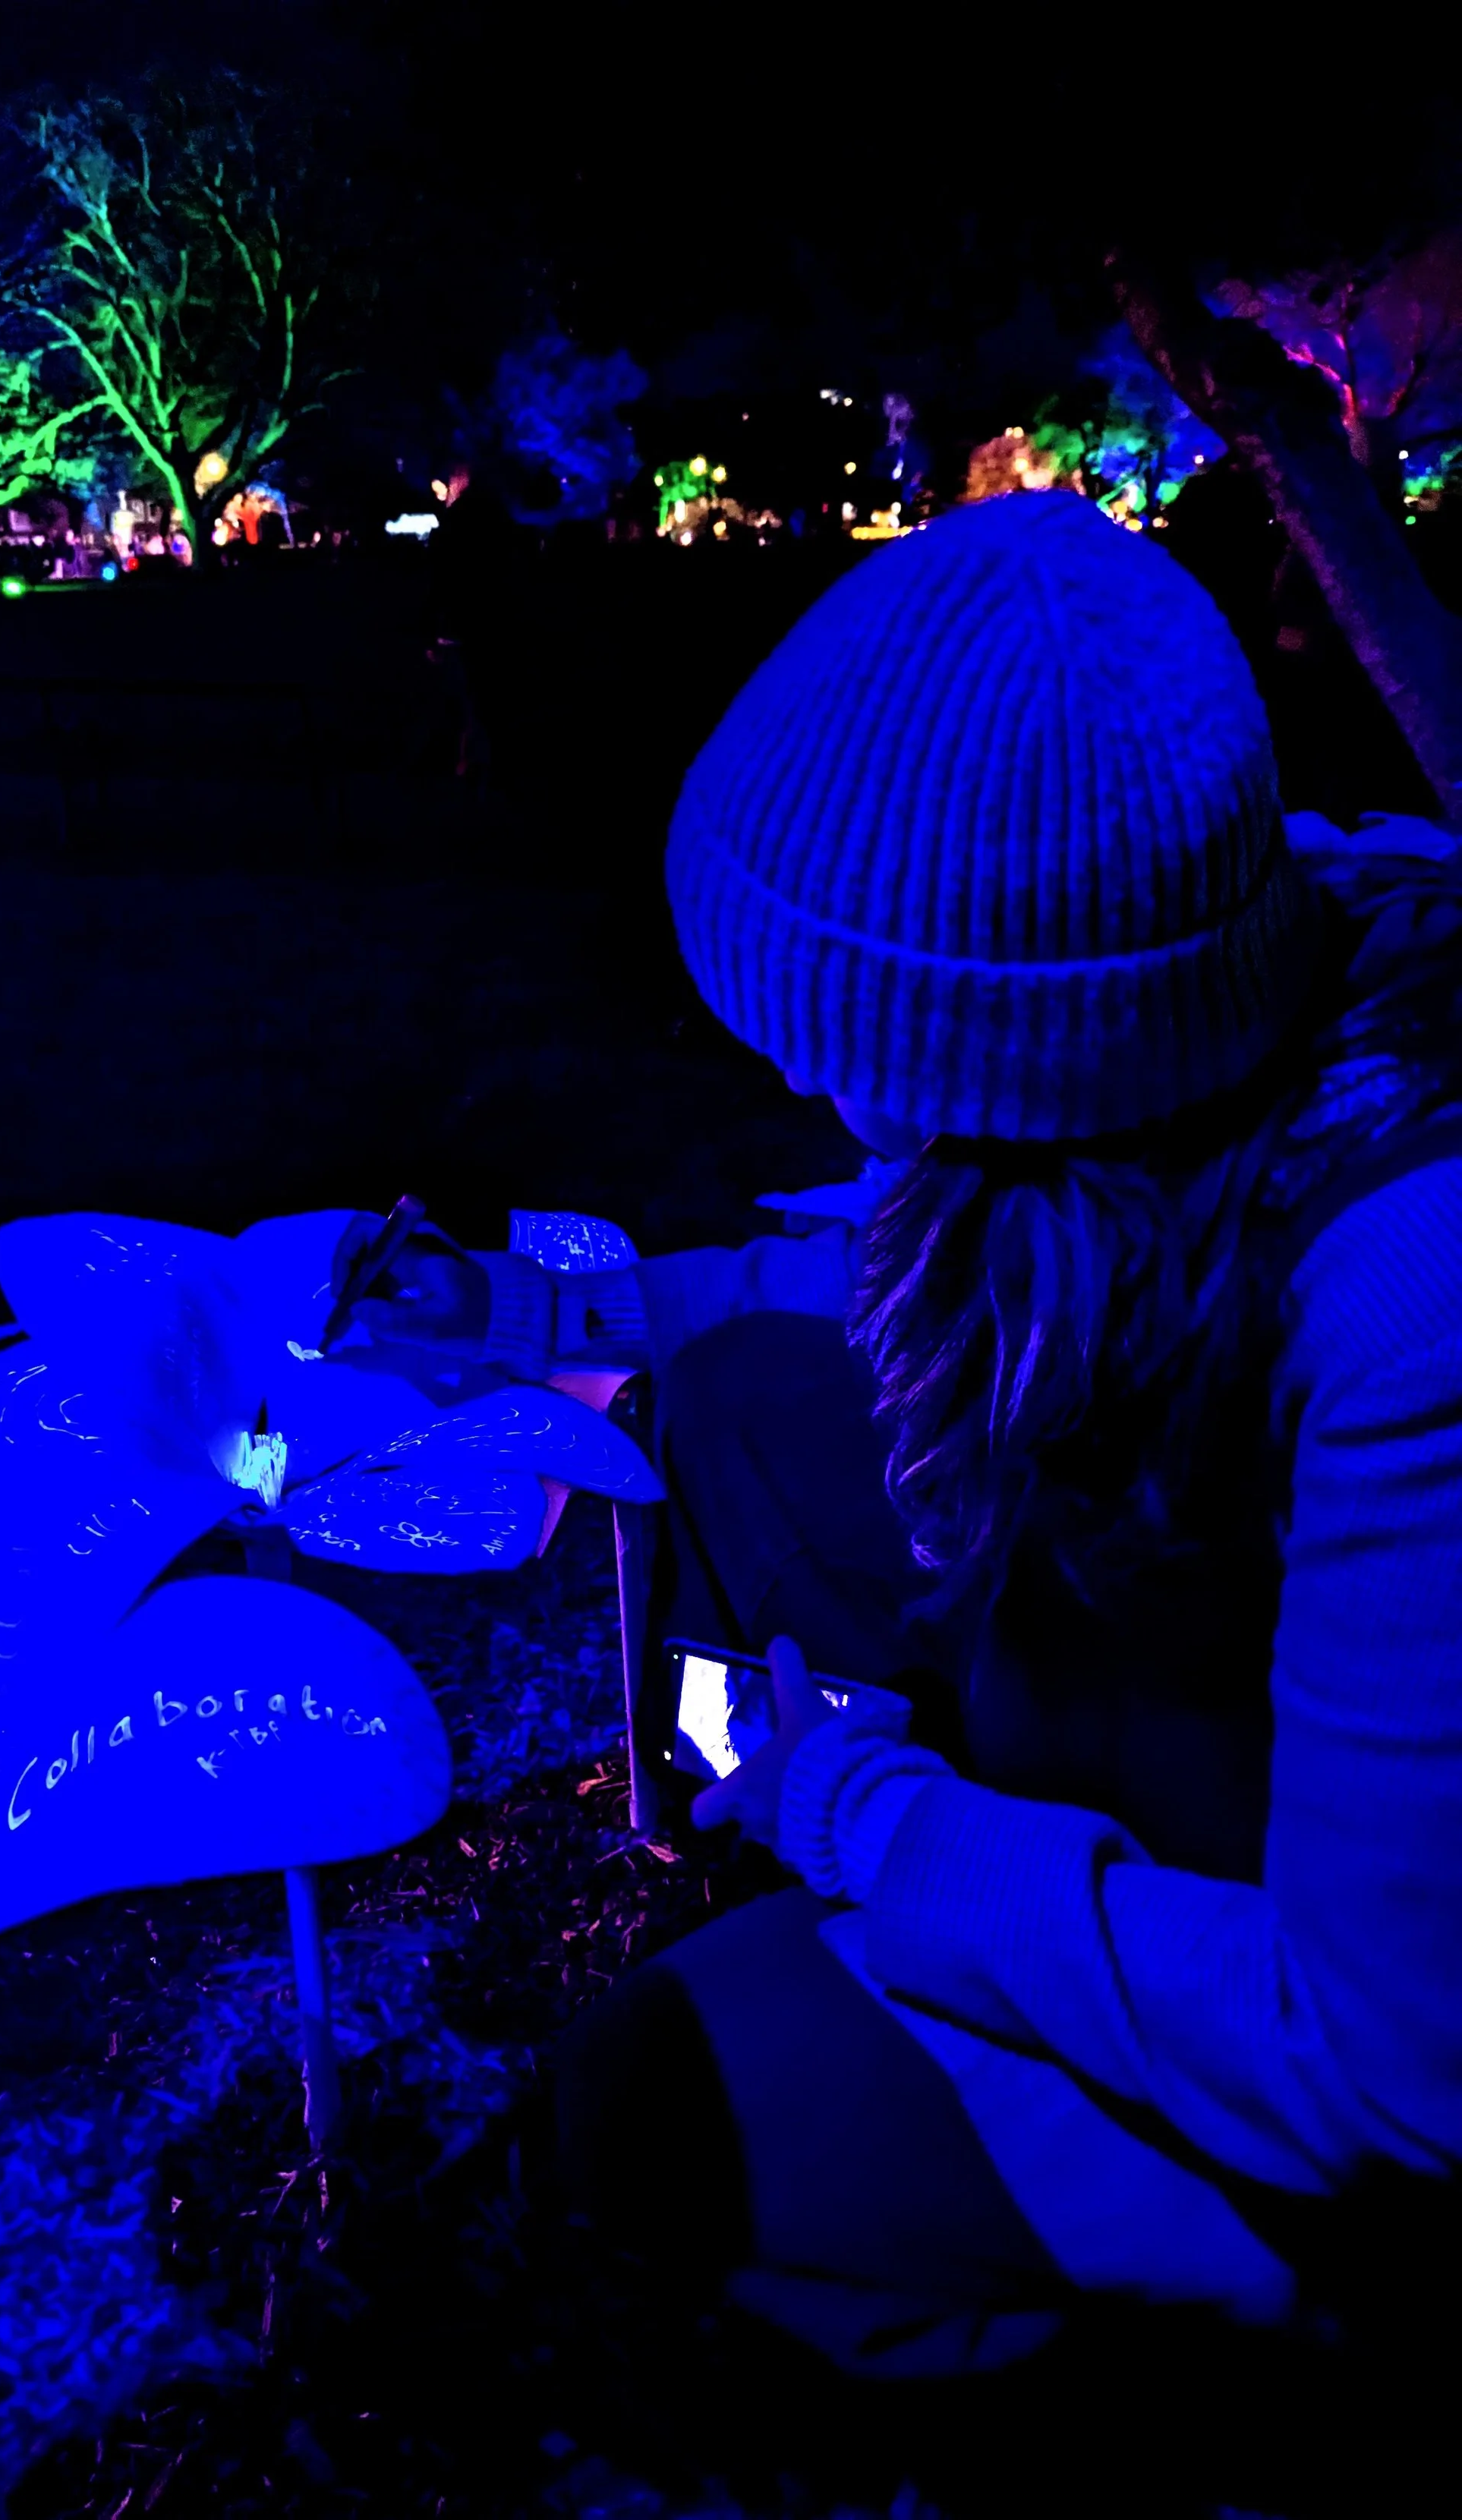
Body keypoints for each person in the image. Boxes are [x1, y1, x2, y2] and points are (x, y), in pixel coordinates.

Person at [323, 490, 1462, 2380]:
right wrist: (520, 1316)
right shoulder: (1174, 1023)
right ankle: (852, 1837)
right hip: (1176, 1685)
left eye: (842, 1037)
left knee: (642, 2109)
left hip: (1348, 2064)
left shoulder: (1409, 1303)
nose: (790, 1069)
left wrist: (867, 1819)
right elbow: (853, 1264)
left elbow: (1391, 2063)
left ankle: (1235, 2370)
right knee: (737, 1398)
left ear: (1005, 1045)